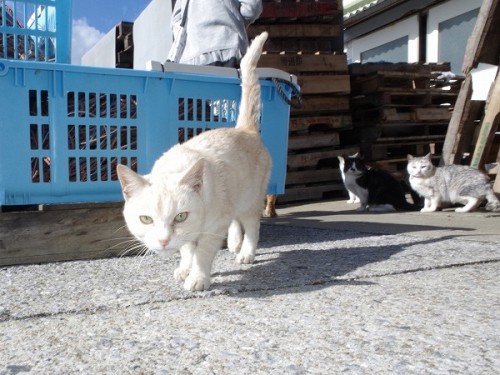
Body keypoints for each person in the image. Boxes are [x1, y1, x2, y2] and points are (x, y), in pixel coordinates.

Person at [171, 0, 263, 68]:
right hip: (228, 50)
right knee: (231, 92)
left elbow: (177, 20)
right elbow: (252, 7)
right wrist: (235, 22)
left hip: (192, 60)